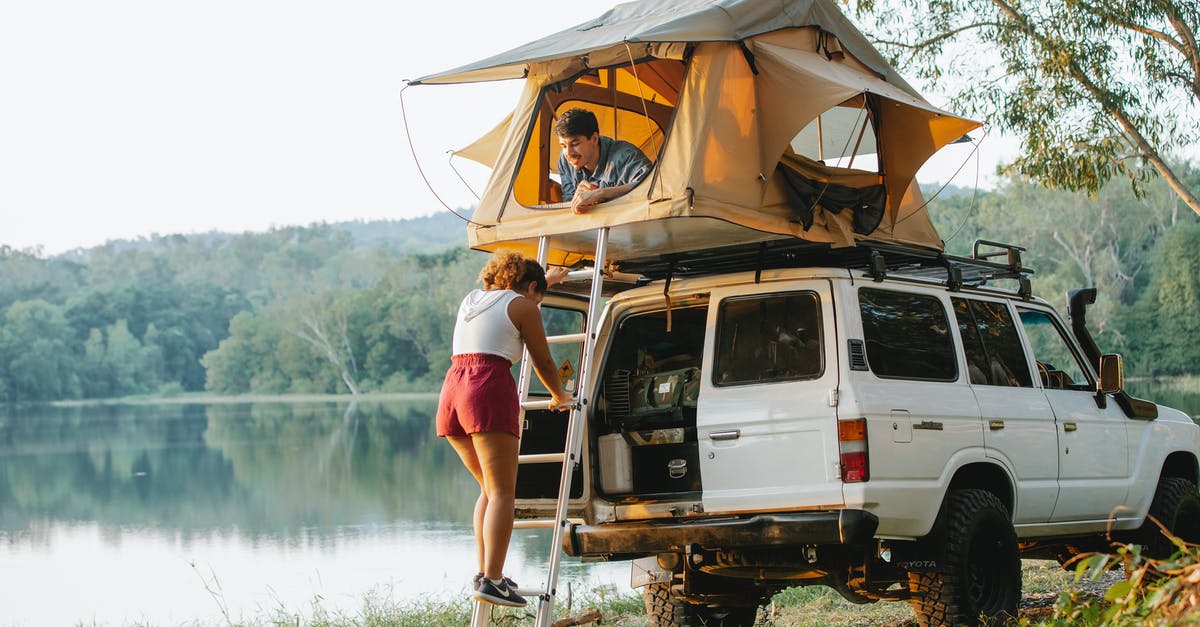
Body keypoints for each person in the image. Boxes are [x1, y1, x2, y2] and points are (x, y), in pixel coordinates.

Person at [436, 251, 573, 607]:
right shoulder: (524, 307)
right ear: (530, 288)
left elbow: (509, 300)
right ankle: (494, 580)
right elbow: (542, 358)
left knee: (488, 489)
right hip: (486, 388)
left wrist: (548, 280)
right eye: (538, 296)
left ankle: (485, 573)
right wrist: (560, 394)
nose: (536, 304)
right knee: (503, 493)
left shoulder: (472, 298)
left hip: (453, 390)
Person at [555, 107, 653, 215]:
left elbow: (653, 186)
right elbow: (568, 204)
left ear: (594, 139)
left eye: (575, 144)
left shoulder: (626, 156)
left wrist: (601, 193)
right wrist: (577, 200)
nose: (568, 153)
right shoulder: (564, 161)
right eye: (563, 146)